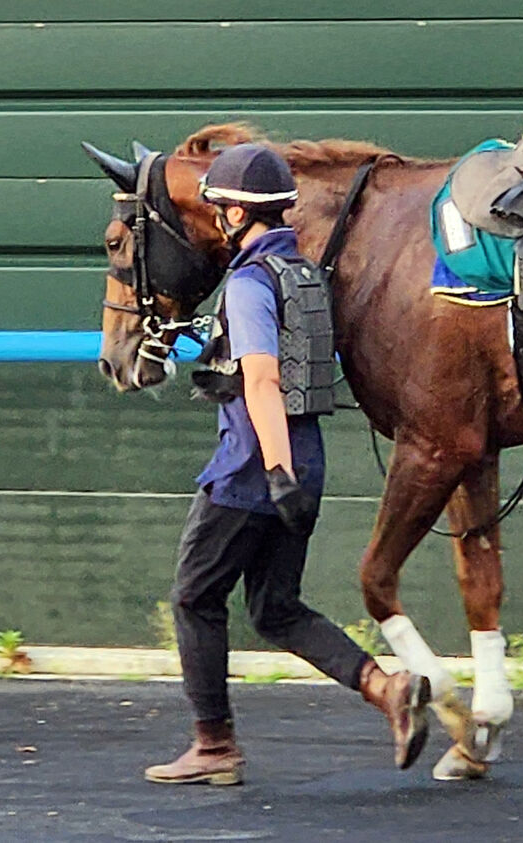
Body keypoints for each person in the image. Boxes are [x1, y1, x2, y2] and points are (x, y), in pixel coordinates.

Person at [144, 143, 429, 785]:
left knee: (194, 598)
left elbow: (263, 382)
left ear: (238, 213)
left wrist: (273, 472)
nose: (217, 218)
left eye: (221, 207)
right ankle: (387, 690)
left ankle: (213, 746)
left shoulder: (247, 283)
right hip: (307, 462)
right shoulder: (303, 274)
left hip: (251, 468)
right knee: (276, 607)